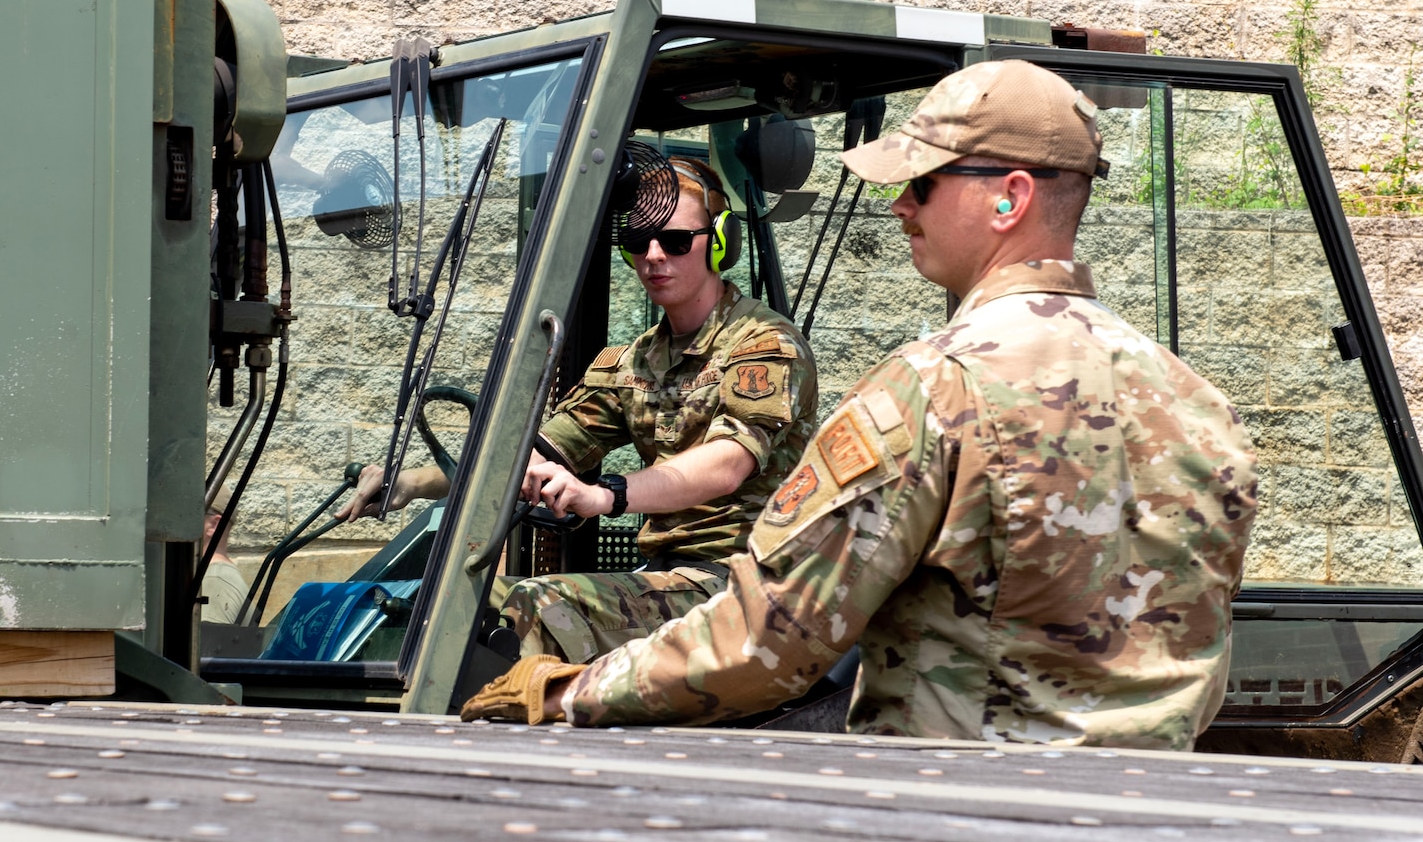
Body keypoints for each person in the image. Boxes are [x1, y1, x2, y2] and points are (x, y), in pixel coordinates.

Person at [463, 60, 1259, 750]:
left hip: (949, 824)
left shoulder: (936, 391)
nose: (899, 206)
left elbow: (767, 641)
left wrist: (561, 694)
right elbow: (1197, 665)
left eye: (923, 183)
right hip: (1148, 826)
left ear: (1009, 199)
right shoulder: (1199, 405)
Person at [343, 157, 819, 664]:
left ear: (720, 241)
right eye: (638, 241)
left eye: (677, 241)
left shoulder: (765, 344)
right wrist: (411, 484)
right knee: (451, 599)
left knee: (535, 605)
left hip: (749, 584)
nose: (654, 256)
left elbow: (728, 463)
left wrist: (603, 495)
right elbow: (534, 449)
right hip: (666, 577)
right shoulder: (633, 361)